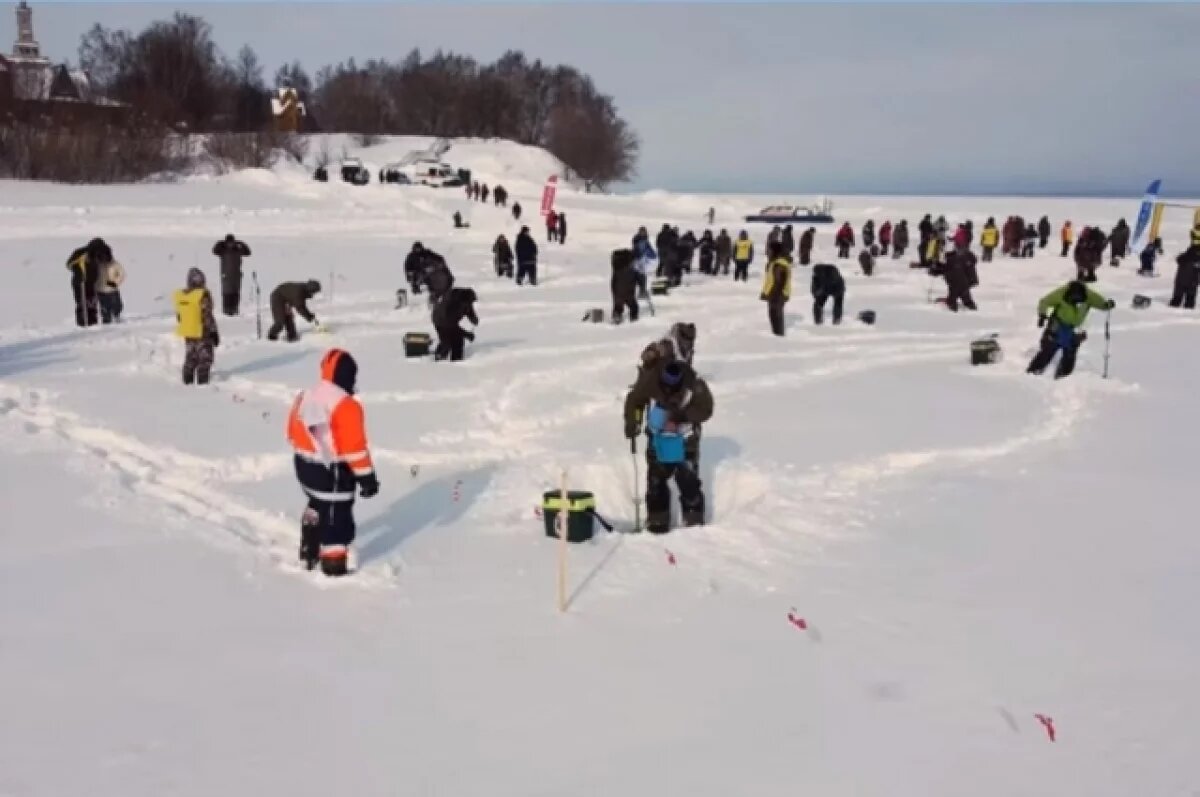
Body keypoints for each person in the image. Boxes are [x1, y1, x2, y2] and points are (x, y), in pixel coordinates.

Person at [286, 348, 378, 576]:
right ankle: (333, 566)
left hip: (304, 466)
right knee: (338, 517)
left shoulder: (307, 395)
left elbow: (290, 430)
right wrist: (367, 478)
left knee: (319, 501)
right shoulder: (346, 405)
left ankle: (311, 534)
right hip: (330, 473)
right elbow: (354, 449)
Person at [623, 360, 714, 534]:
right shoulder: (651, 379)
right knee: (656, 480)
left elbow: (706, 409)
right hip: (659, 437)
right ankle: (658, 521)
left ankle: (694, 522)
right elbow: (635, 399)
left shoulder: (694, 383)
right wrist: (633, 422)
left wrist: (679, 416)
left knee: (688, 480)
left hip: (685, 438)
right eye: (665, 385)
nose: (668, 390)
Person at [1027, 281, 1114, 379]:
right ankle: (1032, 374)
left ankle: (1062, 378)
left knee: (1070, 354)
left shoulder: (1089, 295)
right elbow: (1045, 301)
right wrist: (1042, 315)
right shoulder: (1061, 293)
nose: (1076, 303)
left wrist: (1107, 305)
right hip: (1057, 324)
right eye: (1073, 301)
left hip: (1074, 328)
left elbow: (1101, 304)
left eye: (1079, 302)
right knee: (1047, 350)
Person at [173, 267, 219, 385]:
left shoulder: (182, 296)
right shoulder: (202, 295)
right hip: (202, 331)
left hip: (188, 331)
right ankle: (202, 384)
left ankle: (187, 381)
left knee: (191, 357)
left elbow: (179, 316)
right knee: (205, 358)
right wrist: (213, 331)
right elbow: (207, 315)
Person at [65, 237, 112, 327]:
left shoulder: (104, 251)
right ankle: (82, 323)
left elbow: (108, 260)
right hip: (80, 282)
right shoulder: (81, 252)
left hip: (93, 282)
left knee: (92, 302)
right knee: (82, 302)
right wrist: (77, 269)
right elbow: (69, 264)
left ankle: (93, 322)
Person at [432, 287, 479, 361]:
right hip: (441, 321)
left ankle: (456, 361)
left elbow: (469, 311)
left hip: (450, 322)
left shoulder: (466, 301)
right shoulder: (450, 304)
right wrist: (467, 334)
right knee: (446, 342)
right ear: (463, 301)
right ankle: (439, 360)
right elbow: (453, 327)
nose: (470, 304)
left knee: (458, 341)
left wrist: (473, 319)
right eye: (469, 302)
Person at [212, 234, 251, 316]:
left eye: (232, 243)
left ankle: (235, 309)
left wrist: (241, 243)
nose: (230, 244)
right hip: (226, 275)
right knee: (227, 293)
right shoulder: (223, 250)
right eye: (228, 243)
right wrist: (220, 243)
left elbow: (248, 252)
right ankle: (226, 311)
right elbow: (214, 250)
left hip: (236, 276)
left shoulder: (238, 250)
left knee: (236, 293)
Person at [760, 242, 793, 336]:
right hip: (774, 295)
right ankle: (777, 336)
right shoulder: (775, 262)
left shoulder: (779, 265)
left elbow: (778, 283)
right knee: (774, 317)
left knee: (776, 318)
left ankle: (778, 339)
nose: (768, 252)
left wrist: (772, 295)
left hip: (776, 295)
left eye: (770, 250)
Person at [611, 248, 640, 324]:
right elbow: (638, 279)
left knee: (618, 305)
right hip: (629, 291)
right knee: (634, 307)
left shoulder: (616, 269)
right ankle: (634, 320)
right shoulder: (631, 270)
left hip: (617, 291)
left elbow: (613, 282)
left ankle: (616, 316)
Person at [96, 257, 126, 324]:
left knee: (118, 306)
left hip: (112, 289)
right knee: (105, 309)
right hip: (101, 290)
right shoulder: (96, 264)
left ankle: (117, 319)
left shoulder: (114, 263)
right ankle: (107, 325)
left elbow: (122, 274)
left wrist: (115, 283)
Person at [632, 227, 656, 297]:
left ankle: (642, 290)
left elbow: (649, 248)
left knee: (643, 275)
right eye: (642, 232)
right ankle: (641, 291)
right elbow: (637, 249)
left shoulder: (645, 240)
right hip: (637, 259)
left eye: (644, 232)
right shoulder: (637, 239)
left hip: (643, 259)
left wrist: (653, 255)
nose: (643, 233)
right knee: (639, 275)